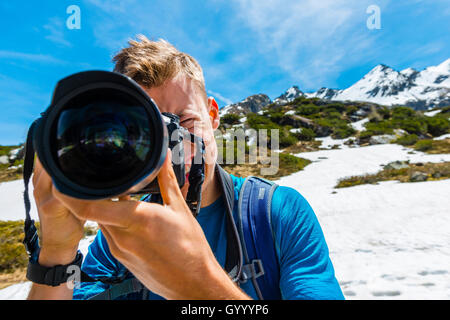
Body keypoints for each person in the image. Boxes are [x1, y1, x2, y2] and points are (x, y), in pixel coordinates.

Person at [27, 35, 344, 300]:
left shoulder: (277, 214)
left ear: (213, 115)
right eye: (147, 132)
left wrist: (199, 286)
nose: (173, 149)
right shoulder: (120, 238)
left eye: (185, 122)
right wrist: (56, 253)